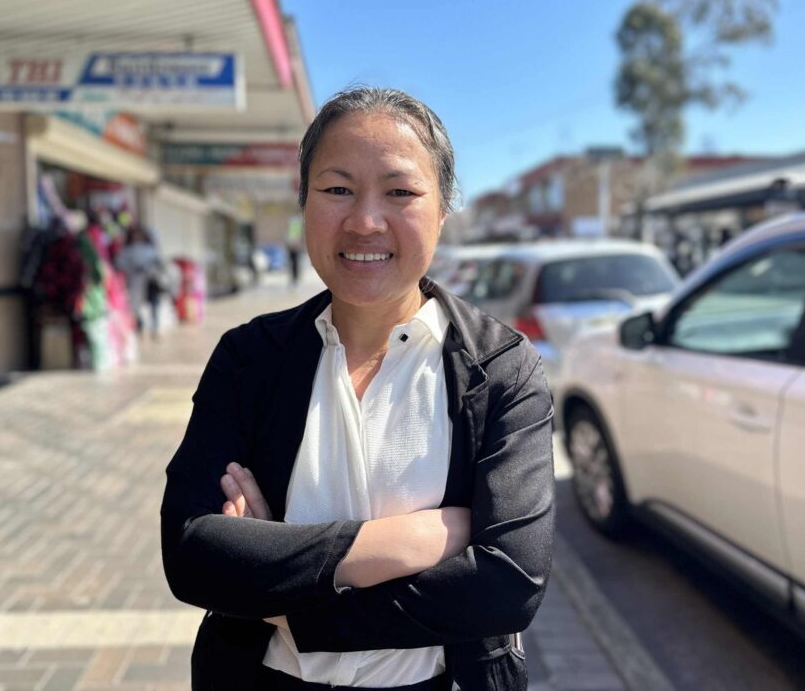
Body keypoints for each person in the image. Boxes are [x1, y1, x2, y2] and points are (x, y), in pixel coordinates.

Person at [161, 87, 554, 691]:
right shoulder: (250, 358)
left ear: (443, 208)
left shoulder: (500, 369)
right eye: (338, 189)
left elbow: (506, 586)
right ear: (303, 201)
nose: (366, 221)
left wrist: (281, 588)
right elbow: (192, 552)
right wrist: (402, 542)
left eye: (400, 192)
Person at [116, 226, 163, 337]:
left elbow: (159, 264)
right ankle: (139, 327)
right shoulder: (126, 251)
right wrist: (132, 269)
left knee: (154, 306)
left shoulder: (151, 250)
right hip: (134, 283)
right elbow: (119, 264)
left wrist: (150, 270)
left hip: (151, 282)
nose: (137, 237)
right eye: (135, 234)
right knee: (135, 307)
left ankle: (155, 328)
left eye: (139, 234)